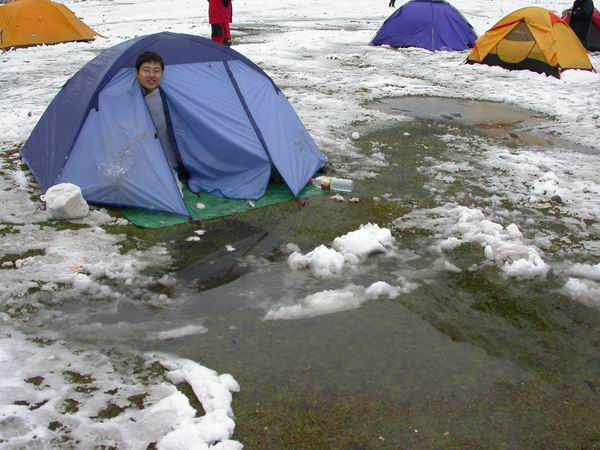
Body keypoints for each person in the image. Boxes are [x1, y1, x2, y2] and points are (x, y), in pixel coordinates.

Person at [135, 51, 185, 193]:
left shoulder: (170, 98)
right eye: (146, 70)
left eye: (156, 71)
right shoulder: (130, 98)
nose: (151, 75)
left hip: (167, 159)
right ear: (137, 73)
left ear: (162, 74)